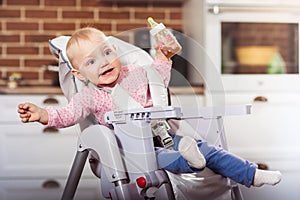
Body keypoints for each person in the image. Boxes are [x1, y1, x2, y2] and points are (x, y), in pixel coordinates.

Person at [17, 27, 281, 188]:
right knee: (165, 159)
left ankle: (251, 173)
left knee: (208, 149)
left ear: (115, 52)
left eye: (107, 53)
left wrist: (163, 57)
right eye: (91, 61)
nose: (104, 63)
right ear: (80, 73)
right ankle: (189, 160)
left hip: (163, 135)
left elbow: (158, 77)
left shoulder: (134, 73)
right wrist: (42, 114)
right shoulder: (89, 96)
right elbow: (67, 115)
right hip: (130, 151)